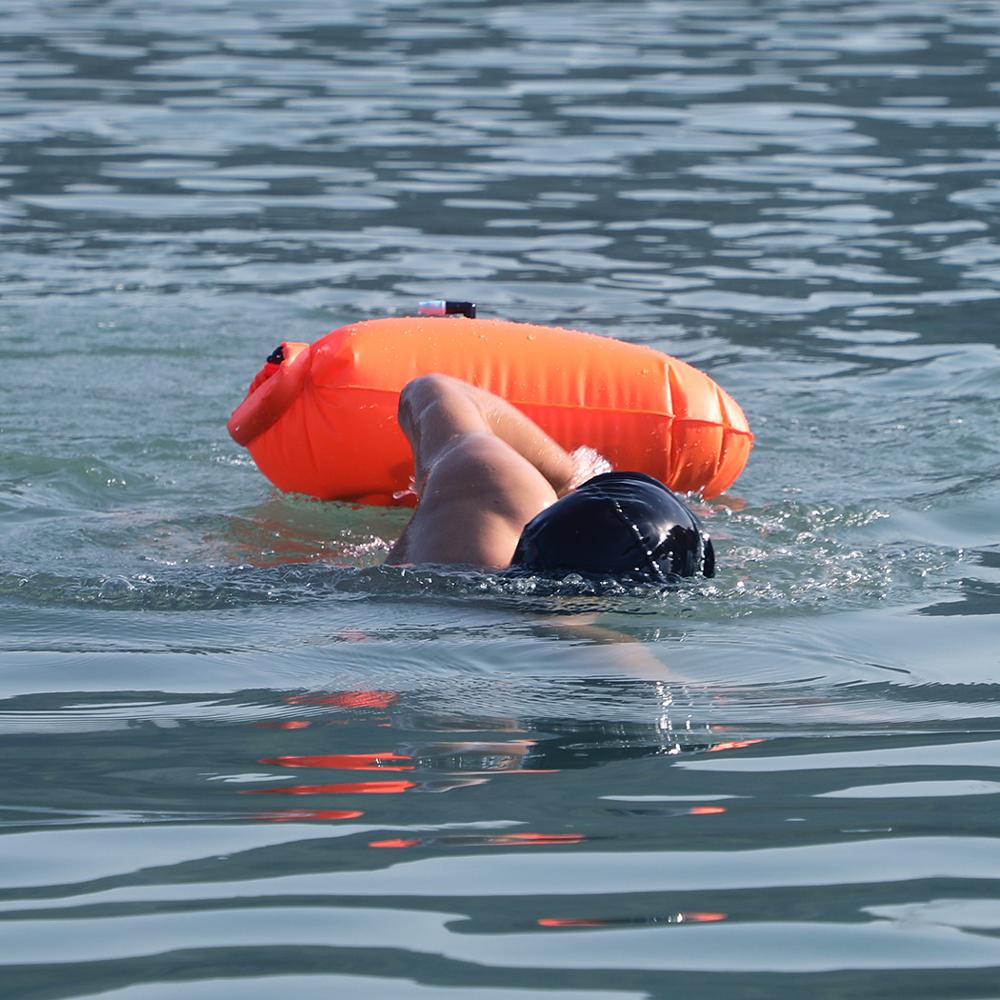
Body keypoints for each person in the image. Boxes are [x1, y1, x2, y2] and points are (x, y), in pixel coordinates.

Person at [386, 374, 715, 582]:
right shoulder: (490, 489)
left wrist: (568, 474)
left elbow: (433, 390)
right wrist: (569, 474)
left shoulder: (487, 492)